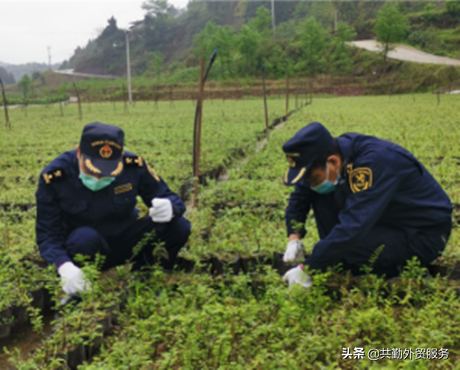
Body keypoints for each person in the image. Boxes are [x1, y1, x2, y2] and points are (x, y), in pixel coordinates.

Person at [281, 122, 452, 287]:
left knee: (344, 252)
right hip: (386, 218)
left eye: (312, 178)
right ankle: (348, 258)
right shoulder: (327, 157)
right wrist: (294, 238)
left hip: (422, 232)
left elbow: (353, 225)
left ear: (333, 162)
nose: (310, 183)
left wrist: (307, 268)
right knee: (318, 196)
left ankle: (400, 272)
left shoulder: (376, 162)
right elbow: (300, 195)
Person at [36, 122, 191, 298]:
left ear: (121, 156)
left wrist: (170, 207)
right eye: (92, 170)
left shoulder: (133, 166)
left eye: (107, 171)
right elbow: (47, 235)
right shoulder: (55, 177)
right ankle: (84, 281)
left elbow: (170, 197)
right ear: (79, 152)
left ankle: (145, 273)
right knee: (83, 238)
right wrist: (64, 266)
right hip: (87, 247)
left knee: (179, 226)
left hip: (126, 238)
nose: (98, 177)